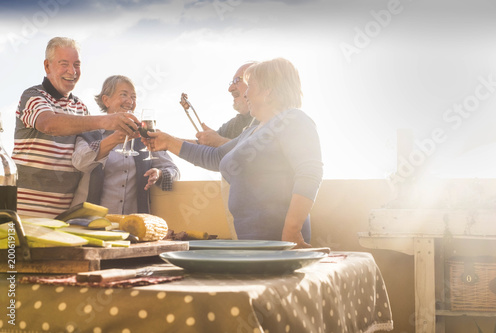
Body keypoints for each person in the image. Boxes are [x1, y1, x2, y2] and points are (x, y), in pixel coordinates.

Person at [144, 58, 323, 248]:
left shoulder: (292, 119)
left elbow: (310, 173)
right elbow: (216, 157)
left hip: (280, 245)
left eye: (250, 86)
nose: (246, 94)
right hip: (251, 243)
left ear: (268, 91)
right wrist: (168, 142)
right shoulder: (252, 131)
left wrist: (292, 232)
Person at [12, 37, 139, 218]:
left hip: (65, 216)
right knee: (12, 248)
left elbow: (87, 157)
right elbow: (49, 123)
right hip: (25, 212)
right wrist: (106, 120)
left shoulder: (80, 107)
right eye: (64, 64)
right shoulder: (33, 96)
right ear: (47, 66)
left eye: (77, 65)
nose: (72, 71)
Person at [71, 75, 180, 214]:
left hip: (130, 226)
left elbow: (173, 170)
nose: (130, 101)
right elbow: (80, 162)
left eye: (134, 97)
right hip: (88, 222)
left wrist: (159, 174)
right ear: (106, 100)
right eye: (124, 95)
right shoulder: (90, 133)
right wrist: (115, 139)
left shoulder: (144, 136)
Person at [182, 62, 258, 147]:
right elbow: (204, 147)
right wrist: (167, 140)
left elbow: (256, 152)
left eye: (236, 80)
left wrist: (220, 142)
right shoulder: (234, 124)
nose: (230, 89)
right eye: (232, 82)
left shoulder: (270, 118)